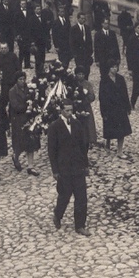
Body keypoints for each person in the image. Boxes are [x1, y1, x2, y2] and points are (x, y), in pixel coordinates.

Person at [47, 98, 89, 235]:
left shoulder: (77, 124)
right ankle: (57, 215)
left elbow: (83, 146)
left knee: (81, 196)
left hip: (78, 166)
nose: (70, 113)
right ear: (61, 110)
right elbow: (52, 150)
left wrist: (85, 164)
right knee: (64, 195)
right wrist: (55, 170)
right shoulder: (55, 127)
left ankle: (80, 225)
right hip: (64, 167)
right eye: (67, 111)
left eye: (71, 110)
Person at [98, 61, 131, 158]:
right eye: (112, 67)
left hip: (120, 108)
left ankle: (119, 150)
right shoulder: (104, 81)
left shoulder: (120, 79)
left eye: (116, 67)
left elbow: (125, 93)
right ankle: (107, 144)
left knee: (121, 130)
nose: (115, 69)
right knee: (109, 128)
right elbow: (101, 97)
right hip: (109, 108)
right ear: (109, 68)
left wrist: (127, 107)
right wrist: (103, 112)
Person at [9, 71, 39, 176]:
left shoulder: (29, 89)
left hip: (29, 119)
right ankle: (15, 156)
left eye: (23, 79)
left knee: (31, 141)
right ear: (16, 81)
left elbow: (34, 99)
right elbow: (15, 106)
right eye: (20, 79)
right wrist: (27, 106)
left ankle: (30, 166)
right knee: (20, 142)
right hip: (18, 120)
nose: (22, 81)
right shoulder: (12, 91)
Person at [73, 67, 97, 148]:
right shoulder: (73, 83)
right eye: (79, 74)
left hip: (85, 107)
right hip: (76, 108)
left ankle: (88, 141)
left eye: (82, 74)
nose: (81, 76)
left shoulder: (87, 84)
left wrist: (84, 100)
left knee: (87, 125)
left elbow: (92, 96)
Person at [69, 11, 93, 77]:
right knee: (80, 71)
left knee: (87, 71)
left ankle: (86, 85)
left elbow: (90, 41)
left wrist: (90, 51)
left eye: (84, 18)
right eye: (82, 18)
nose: (83, 20)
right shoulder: (73, 29)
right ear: (78, 19)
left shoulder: (87, 28)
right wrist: (74, 54)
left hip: (87, 54)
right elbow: (71, 42)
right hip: (78, 54)